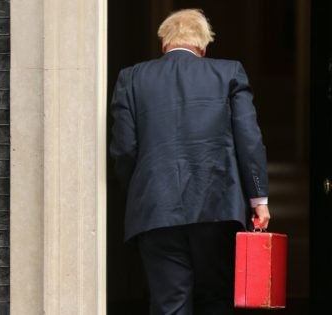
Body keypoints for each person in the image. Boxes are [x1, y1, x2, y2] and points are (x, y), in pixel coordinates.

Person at [110, 8, 270, 315]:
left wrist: (142, 192)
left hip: (156, 208)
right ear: (204, 46)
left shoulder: (131, 78)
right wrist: (258, 201)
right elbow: (249, 140)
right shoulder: (228, 73)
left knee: (169, 303)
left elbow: (124, 150)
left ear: (163, 44)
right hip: (218, 206)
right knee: (216, 298)